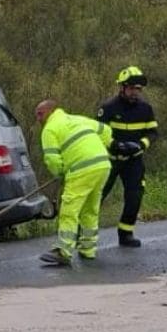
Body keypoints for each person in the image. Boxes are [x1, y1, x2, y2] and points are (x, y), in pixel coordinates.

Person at [35, 99, 113, 266]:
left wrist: (60, 173)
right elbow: (106, 131)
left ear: (50, 111)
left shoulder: (49, 129)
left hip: (81, 169)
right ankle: (88, 249)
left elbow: (51, 159)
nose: (38, 119)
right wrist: (104, 147)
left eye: (40, 114)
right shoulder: (78, 119)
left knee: (69, 210)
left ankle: (64, 251)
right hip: (102, 165)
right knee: (90, 209)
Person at [97, 66, 158, 248]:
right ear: (122, 87)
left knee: (135, 197)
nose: (135, 93)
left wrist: (140, 145)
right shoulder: (108, 108)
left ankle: (126, 233)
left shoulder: (146, 109)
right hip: (110, 160)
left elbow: (153, 133)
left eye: (138, 89)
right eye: (131, 88)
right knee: (96, 197)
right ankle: (80, 233)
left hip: (134, 161)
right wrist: (115, 145)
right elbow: (97, 132)